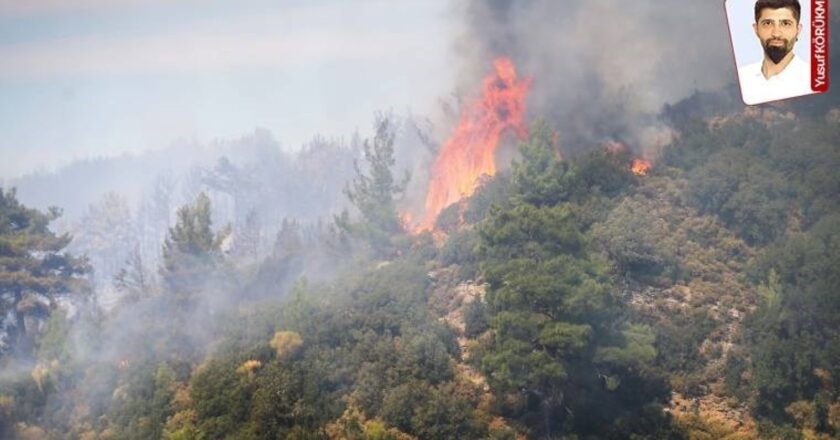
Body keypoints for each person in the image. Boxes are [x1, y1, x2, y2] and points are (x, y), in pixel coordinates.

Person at [737, 0, 813, 104]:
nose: (776, 33)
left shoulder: (812, 80)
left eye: (786, 23)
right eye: (768, 23)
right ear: (756, 29)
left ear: (798, 30)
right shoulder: (741, 78)